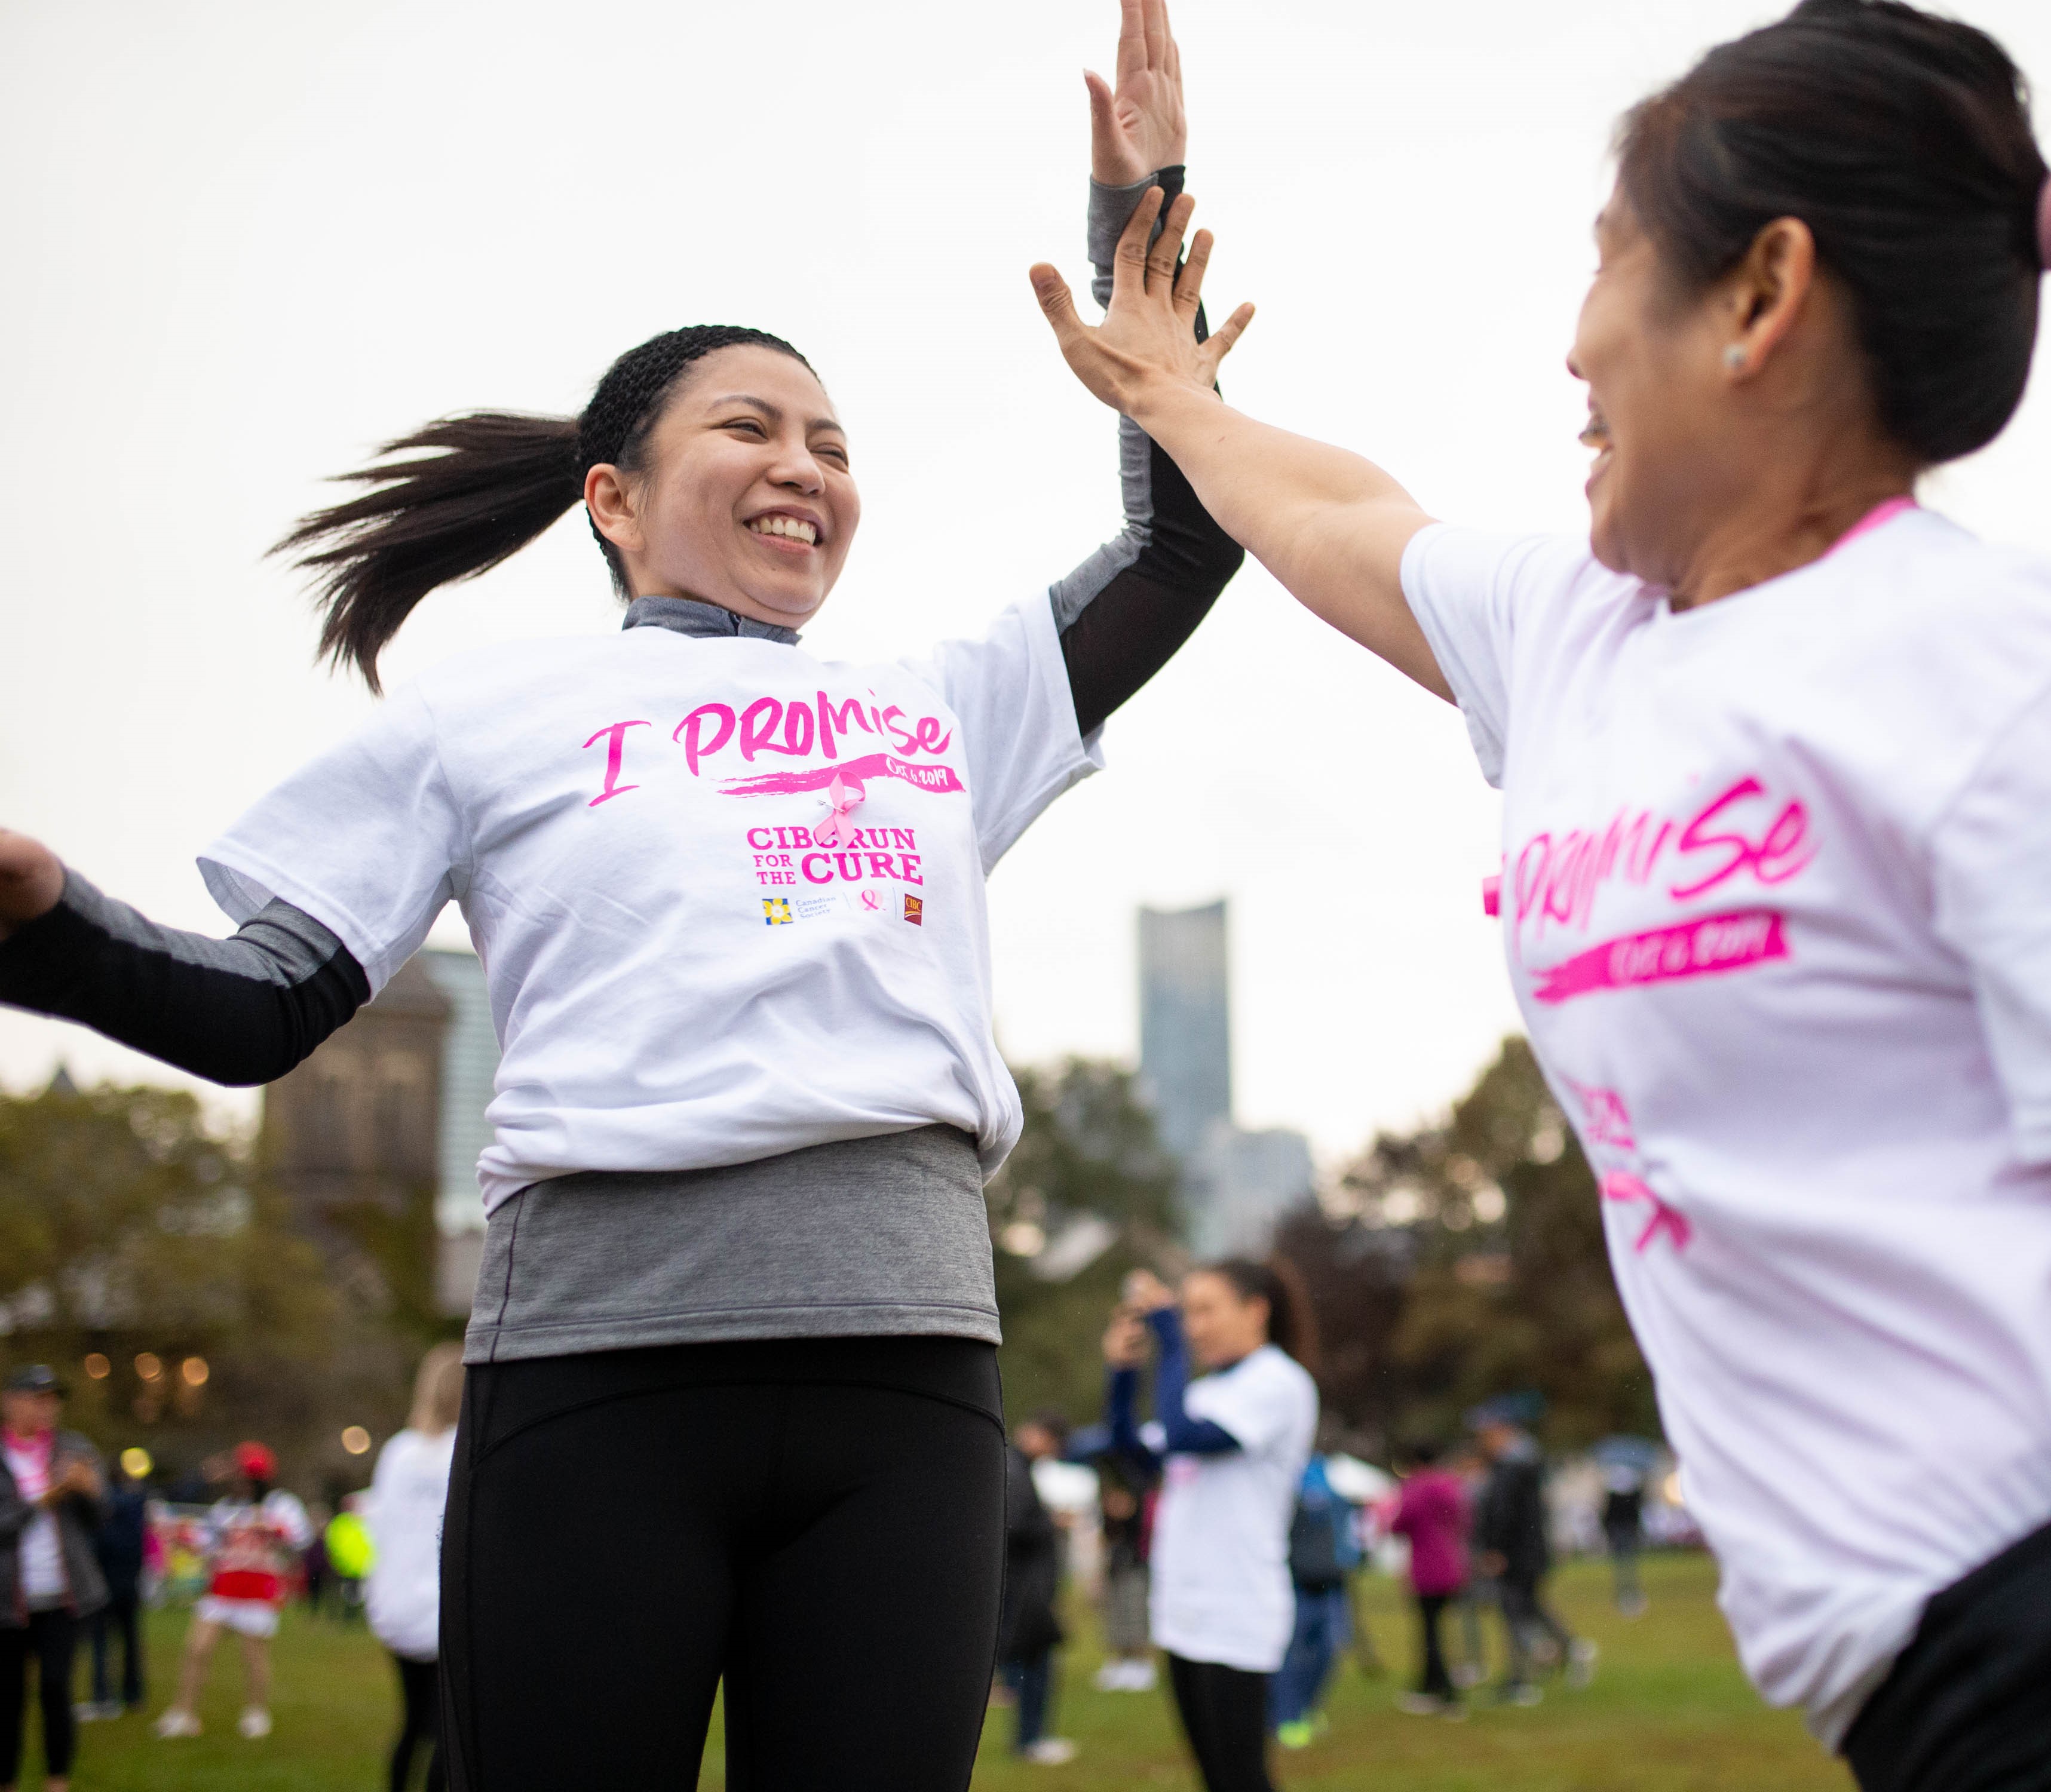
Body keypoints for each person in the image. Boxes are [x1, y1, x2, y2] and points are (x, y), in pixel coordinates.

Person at [1029, 3, 2051, 1785]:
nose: (1571, 345)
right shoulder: (1581, 634)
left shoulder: (1996, 665)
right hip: (1931, 1699)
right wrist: (1175, 375)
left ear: (1761, 298)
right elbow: (1337, 509)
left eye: (1605, 267)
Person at [0, 3, 1242, 1782]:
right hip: (595, 1379)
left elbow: (1184, 543)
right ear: (614, 494)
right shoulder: (489, 713)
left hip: (908, 1381)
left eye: (832, 440)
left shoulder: (935, 703)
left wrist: (1149, 226)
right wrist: (46, 920)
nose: (808, 466)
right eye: (753, 427)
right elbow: (261, 1006)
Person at [1102, 1263, 1319, 1792]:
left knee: (1241, 1778)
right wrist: (1124, 1373)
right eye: (1187, 1313)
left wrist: (1169, 1340)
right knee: (1216, 1778)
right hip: (1184, 1613)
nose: (1193, 1327)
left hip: (1237, 1611)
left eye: (1204, 1310)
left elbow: (1181, 1437)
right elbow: (1133, 1458)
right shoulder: (1207, 1393)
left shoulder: (1278, 1381)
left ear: (1255, 1310)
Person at [157, 1441, 312, 1741]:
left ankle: (256, 1713)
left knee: (253, 1656)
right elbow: (209, 1541)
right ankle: (184, 1713)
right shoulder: (226, 1508)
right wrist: (184, 1536)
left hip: (257, 1593)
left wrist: (273, 1529)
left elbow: (300, 1537)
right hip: (223, 1590)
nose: (236, 1480)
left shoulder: (280, 1504)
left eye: (242, 1475)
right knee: (197, 1649)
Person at [1, 1365, 106, 1792]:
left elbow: (103, 1516)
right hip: (7, 1598)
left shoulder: (73, 1447)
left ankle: (56, 1779)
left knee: (56, 1687)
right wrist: (46, 1497)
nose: (48, 1408)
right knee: (7, 1698)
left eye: (53, 1399)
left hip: (63, 1595)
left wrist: (90, 1491)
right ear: (10, 1401)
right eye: (37, 1398)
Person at [366, 1343, 463, 1792]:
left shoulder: (398, 1452)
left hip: (397, 1607)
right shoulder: (462, 1454)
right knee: (449, 1731)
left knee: (413, 1723)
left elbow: (379, 1526)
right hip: (444, 1611)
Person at [1468, 1403, 1590, 1705]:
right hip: (1529, 1551)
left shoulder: (1512, 1466)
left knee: (1514, 1611)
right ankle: (1568, 1650)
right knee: (1528, 1606)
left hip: (1517, 1553)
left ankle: (1527, 1672)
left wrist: (1495, 1548)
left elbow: (1503, 1512)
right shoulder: (1525, 1462)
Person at [999, 1414, 1079, 1766]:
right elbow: (1013, 1525)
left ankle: (1031, 1738)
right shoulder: (1015, 1470)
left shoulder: (1017, 1467)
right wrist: (1050, 1523)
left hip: (1027, 1587)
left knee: (1033, 1662)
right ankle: (1030, 1741)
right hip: (1025, 1591)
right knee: (1036, 1664)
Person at [1269, 1451, 1357, 1748]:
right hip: (1296, 1586)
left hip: (1331, 1586)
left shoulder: (1333, 1486)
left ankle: (1306, 1708)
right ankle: (1286, 1717)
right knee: (1289, 1657)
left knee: (1328, 1651)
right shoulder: (1281, 1484)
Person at [1385, 1440, 1471, 1718]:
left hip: (1427, 1567)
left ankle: (1443, 1692)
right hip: (1452, 1563)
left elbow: (1400, 1523)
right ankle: (1428, 1686)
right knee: (1437, 1628)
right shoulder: (1452, 1485)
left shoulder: (1417, 1487)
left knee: (1429, 1631)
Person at [78, 1452, 147, 1720]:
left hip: (107, 1581)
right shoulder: (136, 1503)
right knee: (129, 1640)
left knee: (101, 1641)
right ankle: (133, 1695)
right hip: (128, 1581)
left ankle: (103, 1697)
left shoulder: (108, 1504)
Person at [1090, 1460, 1160, 1692]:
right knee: (1116, 1617)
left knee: (1135, 1616)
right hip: (1117, 1570)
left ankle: (1141, 1665)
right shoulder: (1109, 1518)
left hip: (1135, 1568)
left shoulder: (1140, 1509)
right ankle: (1122, 1663)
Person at [1599, 1457, 1648, 1618]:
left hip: (1622, 1530)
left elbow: (1609, 1515)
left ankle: (1626, 1593)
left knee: (1625, 1564)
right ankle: (1627, 1593)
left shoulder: (1616, 1494)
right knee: (1626, 1564)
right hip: (1624, 1530)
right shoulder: (1630, 1494)